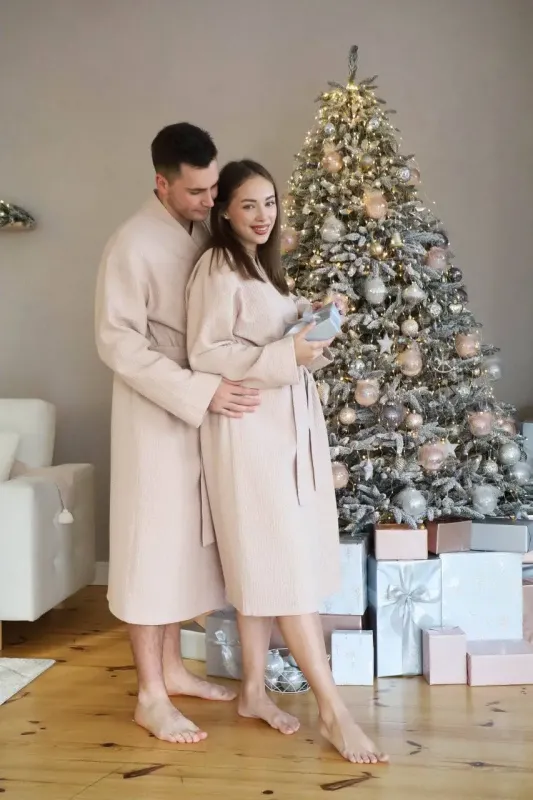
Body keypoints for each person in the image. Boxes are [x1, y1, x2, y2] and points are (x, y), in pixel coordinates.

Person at [186, 159, 389, 765]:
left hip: (282, 431)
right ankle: (333, 711)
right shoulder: (216, 267)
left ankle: (253, 690)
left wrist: (313, 324)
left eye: (270, 202)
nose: (263, 215)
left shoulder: (260, 269)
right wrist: (288, 352)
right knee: (284, 567)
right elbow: (206, 352)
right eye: (249, 204)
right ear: (224, 209)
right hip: (248, 431)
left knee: (265, 564)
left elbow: (277, 342)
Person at [94, 124, 261, 745]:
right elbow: (117, 342)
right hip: (156, 412)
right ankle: (150, 695)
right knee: (149, 552)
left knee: (182, 549)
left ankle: (171, 669)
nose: (209, 199)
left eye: (214, 187)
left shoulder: (201, 231)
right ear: (161, 183)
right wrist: (199, 390)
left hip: (201, 404)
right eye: (196, 191)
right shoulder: (131, 243)